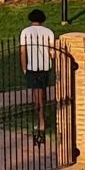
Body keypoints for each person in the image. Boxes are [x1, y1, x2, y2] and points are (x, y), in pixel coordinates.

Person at [20, 8, 58, 141]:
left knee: (36, 94)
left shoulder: (25, 32)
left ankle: (41, 119)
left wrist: (24, 68)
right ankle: (42, 116)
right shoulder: (49, 32)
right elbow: (52, 52)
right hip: (45, 67)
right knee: (43, 92)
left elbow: (23, 51)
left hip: (32, 67)